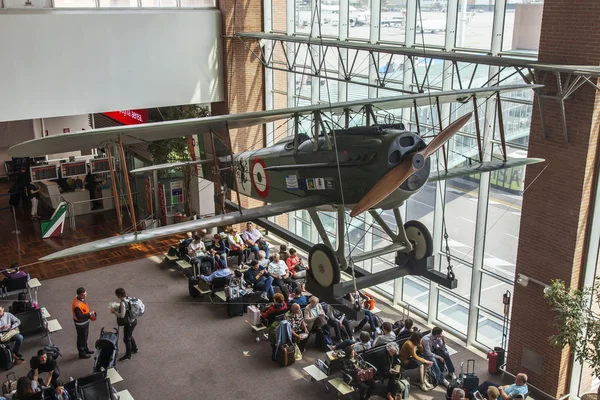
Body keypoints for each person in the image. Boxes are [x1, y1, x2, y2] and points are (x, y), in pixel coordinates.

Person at [110, 288, 139, 362]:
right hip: (133, 320)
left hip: (128, 322)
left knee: (126, 339)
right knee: (129, 335)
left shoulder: (123, 303)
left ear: (119, 295)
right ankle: (134, 348)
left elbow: (122, 315)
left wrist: (114, 312)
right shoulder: (128, 298)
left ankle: (128, 355)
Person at [72, 287, 95, 359]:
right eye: (83, 295)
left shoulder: (81, 299)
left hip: (85, 322)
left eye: (85, 294)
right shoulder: (77, 305)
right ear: (78, 295)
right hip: (81, 324)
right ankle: (82, 353)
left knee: (85, 337)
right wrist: (90, 314)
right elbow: (79, 316)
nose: (85, 296)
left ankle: (86, 349)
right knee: (81, 338)